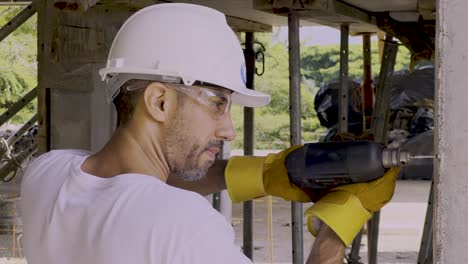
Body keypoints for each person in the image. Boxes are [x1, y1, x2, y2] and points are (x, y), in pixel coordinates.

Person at [21, 3, 399, 264]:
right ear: (161, 102)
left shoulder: (46, 175)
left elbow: (135, 182)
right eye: (217, 103)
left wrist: (264, 174)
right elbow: (151, 197)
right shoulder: (182, 223)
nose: (230, 130)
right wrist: (340, 223)